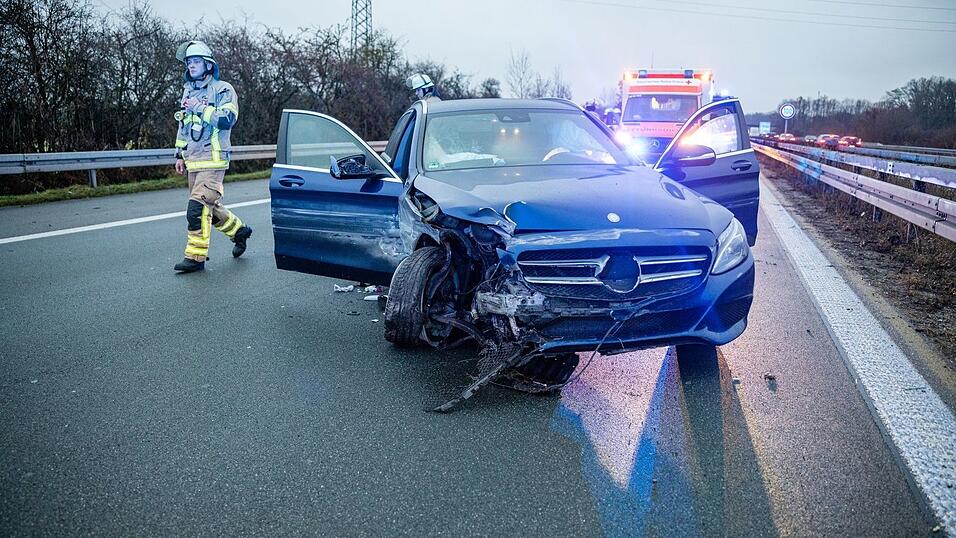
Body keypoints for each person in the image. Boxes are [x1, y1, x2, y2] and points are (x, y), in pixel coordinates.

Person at [171, 40, 251, 273]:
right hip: (193, 160)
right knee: (209, 207)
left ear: (208, 65)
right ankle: (240, 231)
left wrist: (200, 107)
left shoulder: (223, 89)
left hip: (214, 159)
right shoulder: (188, 91)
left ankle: (195, 258)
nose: (191, 66)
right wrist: (179, 154)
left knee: (196, 210)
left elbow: (227, 119)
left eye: (196, 61)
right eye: (188, 62)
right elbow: (183, 126)